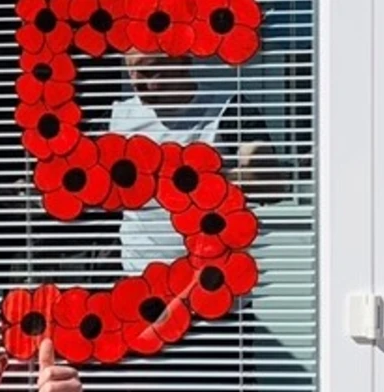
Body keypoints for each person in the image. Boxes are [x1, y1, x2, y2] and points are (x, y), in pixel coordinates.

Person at [108, 49, 288, 272]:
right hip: (143, 280)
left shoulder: (227, 109)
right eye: (131, 72)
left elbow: (270, 182)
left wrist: (195, 181)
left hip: (213, 281)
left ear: (183, 61)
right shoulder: (117, 119)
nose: (136, 82)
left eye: (148, 70)